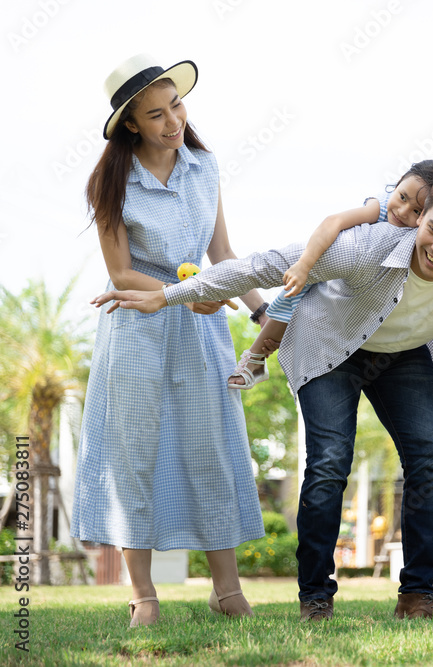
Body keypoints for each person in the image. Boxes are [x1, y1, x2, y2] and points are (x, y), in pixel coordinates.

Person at [92, 167, 433, 622]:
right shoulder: (368, 245)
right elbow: (259, 264)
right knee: (330, 462)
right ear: (422, 217)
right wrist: (167, 295)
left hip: (406, 355)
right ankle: (316, 599)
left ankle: (419, 595)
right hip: (332, 347)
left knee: (428, 461)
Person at [72, 54, 266, 627]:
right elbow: (122, 273)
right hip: (135, 329)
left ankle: (226, 590)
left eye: (176, 105)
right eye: (155, 115)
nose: (171, 121)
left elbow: (223, 256)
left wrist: (262, 316)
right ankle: (143, 597)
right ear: (131, 123)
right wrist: (187, 293)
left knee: (210, 450)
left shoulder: (204, 168)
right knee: (134, 454)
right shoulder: (109, 182)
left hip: (202, 329)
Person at [227, 160, 433, 389]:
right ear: (397, 185)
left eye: (418, 211)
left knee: (285, 317)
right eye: (402, 197)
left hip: (364, 300)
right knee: (284, 311)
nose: (403, 212)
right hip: (329, 276)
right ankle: (255, 359)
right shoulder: (379, 209)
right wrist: (305, 264)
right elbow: (332, 222)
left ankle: (261, 352)